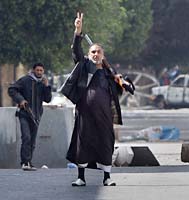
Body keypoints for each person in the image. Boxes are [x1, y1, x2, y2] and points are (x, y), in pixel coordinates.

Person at [61, 12, 125, 187]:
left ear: (102, 56)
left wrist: (123, 82)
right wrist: (78, 31)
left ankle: (107, 178)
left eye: (98, 52)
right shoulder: (83, 67)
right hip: (84, 115)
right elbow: (76, 51)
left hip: (104, 117)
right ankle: (81, 178)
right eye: (93, 52)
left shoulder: (109, 74)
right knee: (83, 144)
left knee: (106, 144)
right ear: (89, 55)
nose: (95, 54)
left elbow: (124, 89)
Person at [8, 63, 52, 171]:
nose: (39, 72)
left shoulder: (42, 83)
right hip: (24, 114)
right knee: (26, 137)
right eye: (37, 70)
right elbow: (12, 89)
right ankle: (24, 162)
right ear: (33, 70)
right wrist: (21, 100)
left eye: (41, 70)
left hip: (36, 115)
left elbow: (48, 99)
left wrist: (47, 86)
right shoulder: (25, 80)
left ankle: (28, 162)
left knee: (32, 140)